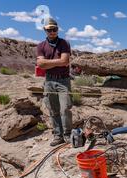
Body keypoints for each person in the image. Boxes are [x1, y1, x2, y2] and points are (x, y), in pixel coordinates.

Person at [36, 17, 73, 146]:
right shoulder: (41, 46)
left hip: (64, 81)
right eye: (49, 30)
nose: (52, 32)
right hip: (49, 81)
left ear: (58, 29)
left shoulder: (64, 43)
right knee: (53, 109)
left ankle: (67, 134)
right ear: (45, 30)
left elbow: (65, 61)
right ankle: (58, 135)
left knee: (66, 108)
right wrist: (56, 63)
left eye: (55, 29)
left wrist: (47, 63)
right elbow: (40, 64)